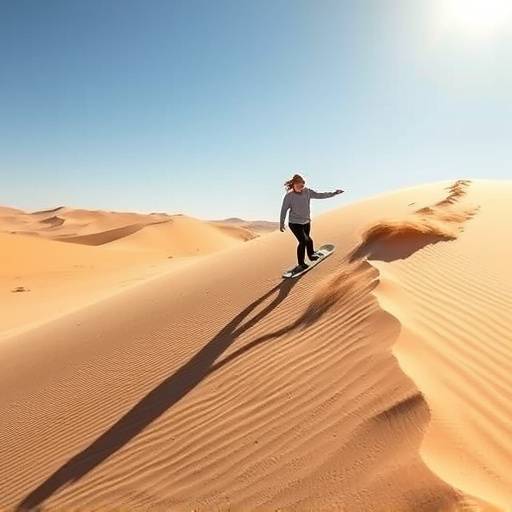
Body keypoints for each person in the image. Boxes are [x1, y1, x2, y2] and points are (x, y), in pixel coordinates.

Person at [280, 173, 343, 271]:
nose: (300, 188)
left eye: (302, 185)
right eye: (298, 186)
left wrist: (334, 193)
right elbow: (284, 209)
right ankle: (301, 264)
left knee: (309, 240)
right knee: (303, 241)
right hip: (295, 223)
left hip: (306, 222)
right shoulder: (289, 196)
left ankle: (311, 255)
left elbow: (320, 195)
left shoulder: (307, 192)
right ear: (293, 185)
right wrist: (281, 222)